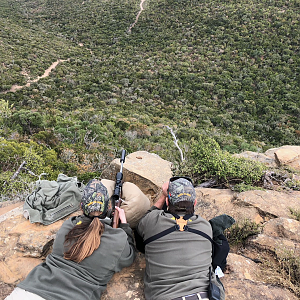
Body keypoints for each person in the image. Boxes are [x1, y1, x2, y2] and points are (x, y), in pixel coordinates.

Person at [6, 179, 136, 300]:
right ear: (108, 209)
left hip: (28, 291)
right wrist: (124, 225)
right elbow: (129, 257)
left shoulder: (68, 225)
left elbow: (87, 227)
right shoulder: (118, 240)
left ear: (81, 207)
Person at [137, 177, 227, 300]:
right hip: (205, 295)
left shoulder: (152, 222)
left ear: (167, 202)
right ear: (195, 203)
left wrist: (163, 196)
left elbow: (144, 221)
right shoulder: (205, 226)